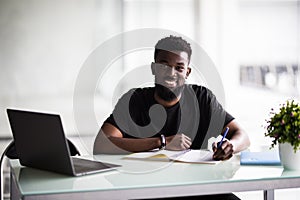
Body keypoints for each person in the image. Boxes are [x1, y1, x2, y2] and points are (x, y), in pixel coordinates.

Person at [93, 35, 250, 200]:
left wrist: (230, 145)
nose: (171, 73)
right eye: (164, 66)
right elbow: (101, 144)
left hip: (195, 188)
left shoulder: (202, 98)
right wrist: (162, 142)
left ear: (187, 72)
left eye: (179, 68)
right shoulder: (134, 100)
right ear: (153, 68)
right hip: (143, 189)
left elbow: (242, 135)